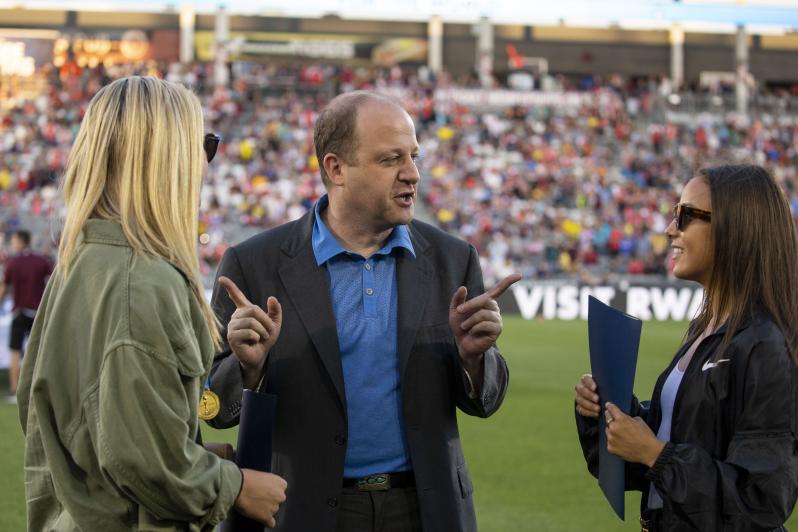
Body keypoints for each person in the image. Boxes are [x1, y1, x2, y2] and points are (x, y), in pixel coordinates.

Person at [208, 90, 519, 532]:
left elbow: (485, 400)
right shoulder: (253, 264)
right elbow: (212, 407)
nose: (412, 174)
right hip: (300, 509)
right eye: (391, 159)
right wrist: (248, 370)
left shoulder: (454, 259)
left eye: (414, 156)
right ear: (336, 169)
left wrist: (474, 359)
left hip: (426, 511)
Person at [17, 76, 287, 531]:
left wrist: (194, 453)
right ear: (167, 154)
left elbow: (80, 425)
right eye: (204, 143)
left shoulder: (83, 261)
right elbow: (139, 461)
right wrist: (235, 486)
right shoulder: (140, 279)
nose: (207, 162)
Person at [574, 164, 798, 531]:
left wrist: (654, 453)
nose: (669, 228)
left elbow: (761, 500)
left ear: (736, 228)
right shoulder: (707, 329)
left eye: (685, 215)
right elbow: (675, 442)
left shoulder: (766, 344)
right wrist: (609, 414)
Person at [0, 229, 52, 403]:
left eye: (14, 239)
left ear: (21, 241)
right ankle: (36, 390)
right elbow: (52, 281)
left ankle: (15, 390)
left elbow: (4, 287)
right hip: (37, 312)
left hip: (19, 311)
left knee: (15, 351)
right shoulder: (41, 261)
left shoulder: (13, 262)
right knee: (38, 352)